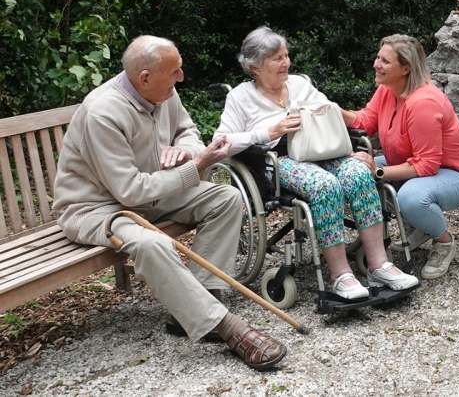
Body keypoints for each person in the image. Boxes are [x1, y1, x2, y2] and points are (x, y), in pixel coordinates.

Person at [52, 35, 287, 371]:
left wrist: (187, 151)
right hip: (97, 208)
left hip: (151, 194)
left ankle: (197, 303)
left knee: (226, 198)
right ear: (144, 77)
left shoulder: (163, 91)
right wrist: (197, 166)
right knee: (152, 243)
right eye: (174, 72)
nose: (181, 78)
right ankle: (226, 327)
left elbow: (187, 129)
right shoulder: (103, 112)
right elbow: (129, 192)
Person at [214, 27, 418, 300]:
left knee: (359, 173)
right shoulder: (239, 97)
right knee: (325, 185)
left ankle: (379, 264)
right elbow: (221, 142)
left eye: (286, 55)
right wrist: (268, 132)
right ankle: (340, 276)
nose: (286, 63)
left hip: (324, 149)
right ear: (255, 66)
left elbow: (331, 114)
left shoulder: (299, 84)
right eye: (277, 58)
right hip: (280, 159)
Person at [342, 34, 459, 280]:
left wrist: (379, 171)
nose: (376, 64)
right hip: (414, 166)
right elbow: (365, 121)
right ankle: (418, 228)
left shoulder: (423, 102)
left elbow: (427, 164)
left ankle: (443, 241)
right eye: (377, 57)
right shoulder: (387, 90)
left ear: (406, 68)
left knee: (411, 198)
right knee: (353, 169)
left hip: (457, 174)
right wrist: (332, 111)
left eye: (385, 61)